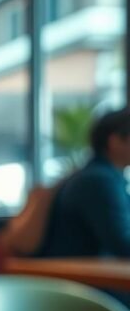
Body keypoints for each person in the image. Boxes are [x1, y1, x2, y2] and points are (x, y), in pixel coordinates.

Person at [38, 109, 130, 258]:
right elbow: (123, 243)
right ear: (115, 141)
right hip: (79, 277)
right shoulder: (99, 181)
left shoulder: (103, 177)